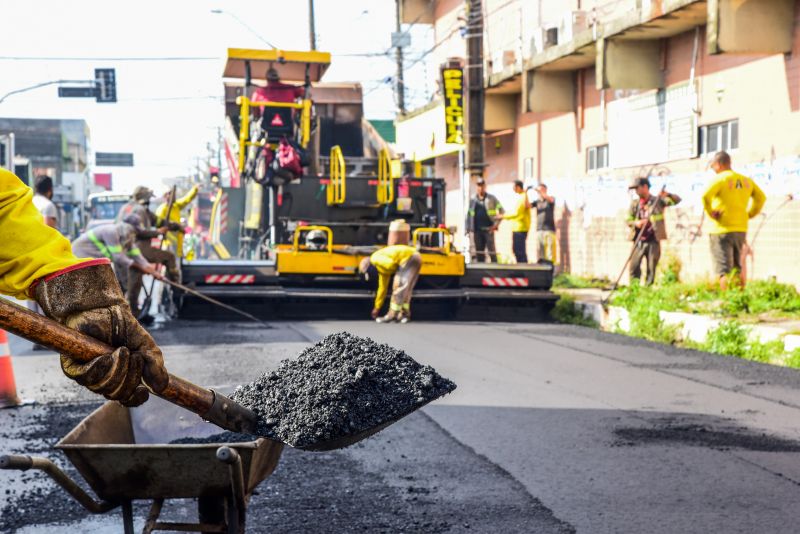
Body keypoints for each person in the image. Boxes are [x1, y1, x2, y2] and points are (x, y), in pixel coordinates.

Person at [0, 168, 169, 406]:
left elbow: (6, 217)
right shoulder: (115, 232)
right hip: (80, 254)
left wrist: (78, 294)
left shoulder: (124, 231)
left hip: (66, 261)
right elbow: (121, 259)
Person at [702, 150, 766, 290]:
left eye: (713, 165)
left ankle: (726, 302)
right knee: (737, 266)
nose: (713, 169)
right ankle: (739, 297)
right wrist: (750, 214)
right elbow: (761, 197)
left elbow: (705, 196)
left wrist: (711, 212)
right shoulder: (745, 181)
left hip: (721, 229)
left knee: (723, 269)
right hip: (740, 228)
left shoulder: (720, 179)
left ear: (719, 164)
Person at [117, 186, 179, 317]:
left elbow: (158, 221)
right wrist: (157, 232)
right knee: (169, 257)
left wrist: (172, 226)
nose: (150, 201)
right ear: (144, 198)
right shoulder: (139, 210)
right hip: (137, 248)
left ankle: (133, 313)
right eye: (149, 198)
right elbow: (141, 232)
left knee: (132, 283)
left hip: (122, 250)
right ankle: (176, 287)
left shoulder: (126, 208)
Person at [72, 215, 163, 285]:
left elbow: (138, 257)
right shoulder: (110, 232)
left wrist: (152, 271)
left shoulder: (126, 237)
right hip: (80, 258)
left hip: (93, 262)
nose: (133, 234)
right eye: (133, 231)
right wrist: (140, 267)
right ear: (126, 226)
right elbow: (118, 258)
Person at [626, 177, 682, 286]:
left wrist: (668, 194)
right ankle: (633, 291)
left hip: (653, 240)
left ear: (645, 187)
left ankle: (648, 291)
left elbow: (677, 201)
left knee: (651, 268)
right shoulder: (635, 204)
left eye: (637, 188)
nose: (636, 191)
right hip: (638, 240)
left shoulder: (658, 201)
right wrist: (636, 223)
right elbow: (628, 220)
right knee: (634, 267)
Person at [359, 245, 422, 324]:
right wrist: (377, 307)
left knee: (398, 286)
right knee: (406, 290)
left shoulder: (374, 258)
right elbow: (382, 289)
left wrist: (397, 277)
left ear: (369, 265)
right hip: (415, 257)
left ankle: (392, 315)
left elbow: (390, 264)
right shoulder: (382, 270)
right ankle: (405, 315)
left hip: (408, 258)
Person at [156, 185, 199, 258]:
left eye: (173, 193)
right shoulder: (162, 209)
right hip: (169, 243)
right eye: (170, 193)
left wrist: (195, 189)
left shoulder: (176, 206)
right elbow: (159, 225)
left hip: (178, 242)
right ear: (166, 196)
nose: (174, 195)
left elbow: (186, 200)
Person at [467, 178, 504, 262]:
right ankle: (480, 272)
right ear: (476, 187)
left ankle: (495, 271)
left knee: (492, 252)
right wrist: (468, 228)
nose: (480, 188)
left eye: (482, 185)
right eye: (478, 186)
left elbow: (502, 211)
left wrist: (496, 225)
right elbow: (469, 215)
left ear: (485, 186)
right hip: (476, 231)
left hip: (488, 230)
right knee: (479, 253)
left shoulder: (492, 198)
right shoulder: (473, 200)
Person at [501, 180, 531, 263]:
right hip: (518, 228)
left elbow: (517, 213)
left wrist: (503, 216)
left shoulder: (523, 197)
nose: (513, 189)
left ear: (518, 187)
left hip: (520, 228)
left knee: (519, 251)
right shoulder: (521, 196)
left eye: (514, 187)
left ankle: (523, 269)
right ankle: (521, 268)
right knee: (517, 250)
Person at [534, 184, 557, 265]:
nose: (540, 192)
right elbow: (527, 205)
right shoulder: (537, 202)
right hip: (539, 229)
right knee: (540, 252)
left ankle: (552, 269)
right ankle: (541, 270)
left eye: (542, 190)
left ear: (545, 190)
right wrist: (525, 192)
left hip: (549, 229)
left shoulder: (550, 199)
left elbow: (551, 200)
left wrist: (540, 191)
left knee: (550, 252)